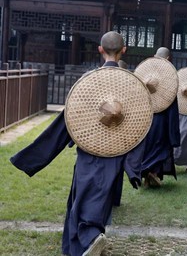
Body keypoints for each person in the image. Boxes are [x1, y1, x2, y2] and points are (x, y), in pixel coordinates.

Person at [10, 32, 146, 256]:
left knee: (83, 197)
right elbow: (140, 128)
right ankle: (91, 240)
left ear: (100, 49)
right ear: (125, 50)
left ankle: (88, 240)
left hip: (89, 148)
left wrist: (33, 156)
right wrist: (133, 167)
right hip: (116, 151)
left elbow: (68, 121)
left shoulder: (89, 82)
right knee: (100, 198)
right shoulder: (133, 88)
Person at [140, 47, 180, 187]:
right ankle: (154, 173)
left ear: (154, 56)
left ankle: (145, 177)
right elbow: (173, 107)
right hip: (162, 119)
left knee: (147, 147)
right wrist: (173, 133)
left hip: (145, 118)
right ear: (168, 58)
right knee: (161, 147)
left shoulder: (144, 75)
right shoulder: (170, 78)